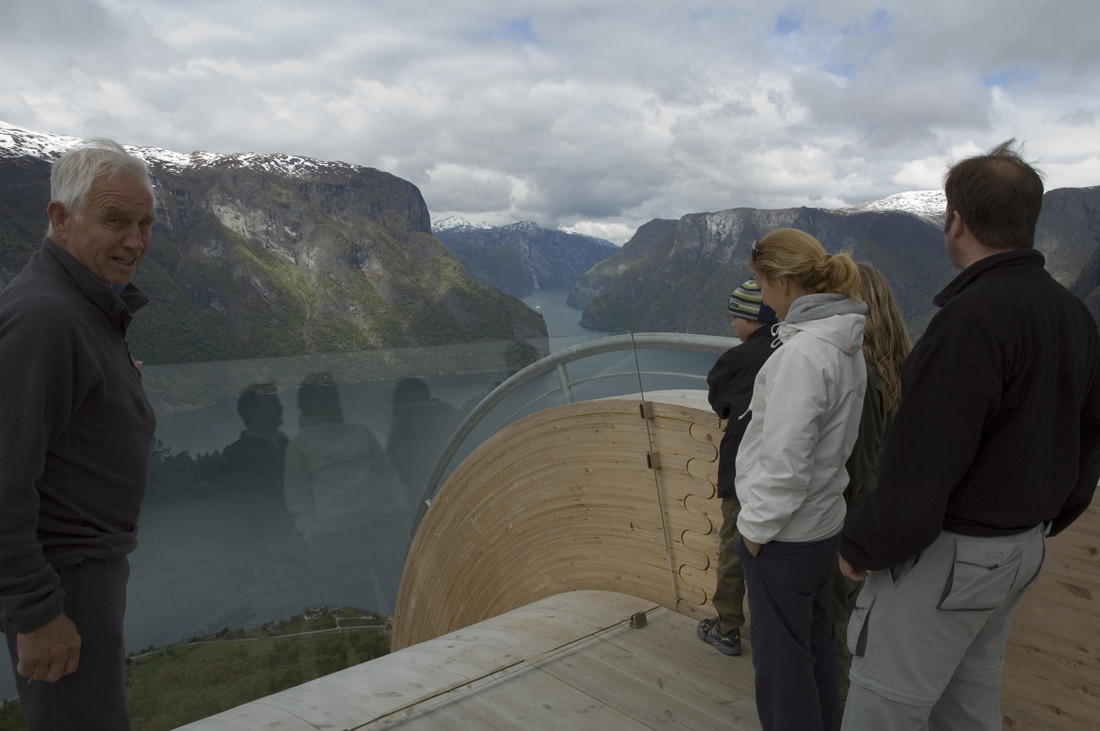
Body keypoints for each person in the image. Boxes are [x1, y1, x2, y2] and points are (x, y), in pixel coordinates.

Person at [838, 140, 1100, 731]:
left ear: (956, 222)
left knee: (884, 706)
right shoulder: (1072, 314)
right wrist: (1052, 515)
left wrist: (863, 546)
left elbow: (923, 460)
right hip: (1021, 547)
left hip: (952, 555)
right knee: (968, 700)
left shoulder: (970, 317)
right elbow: (1091, 434)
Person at [0, 139, 157, 729]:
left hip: (85, 569)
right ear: (60, 218)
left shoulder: (83, 304)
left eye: (144, 224)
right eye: (116, 221)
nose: (135, 241)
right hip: (62, 578)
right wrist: (37, 613)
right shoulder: (46, 317)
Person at [735, 228, 867, 731]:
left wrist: (754, 532)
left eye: (763, 285)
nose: (763, 298)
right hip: (821, 526)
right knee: (815, 648)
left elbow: (786, 459)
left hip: (783, 537)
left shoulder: (803, 355)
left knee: (780, 667)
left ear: (784, 282)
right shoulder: (843, 343)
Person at [830, 262, 911, 719]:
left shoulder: (860, 375)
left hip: (854, 528)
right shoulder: (903, 365)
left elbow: (855, 469)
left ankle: (844, 712)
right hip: (890, 522)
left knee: (840, 629)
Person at [696, 278, 780, 656]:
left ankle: (728, 627)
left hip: (742, 470)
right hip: (786, 473)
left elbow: (720, 400)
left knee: (735, 548)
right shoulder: (796, 349)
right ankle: (777, 633)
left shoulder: (737, 359)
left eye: (736, 316)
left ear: (753, 319)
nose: (732, 324)